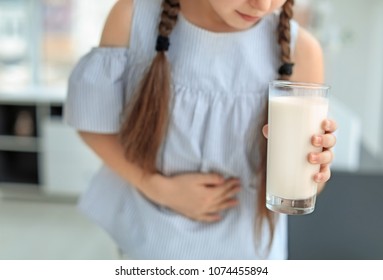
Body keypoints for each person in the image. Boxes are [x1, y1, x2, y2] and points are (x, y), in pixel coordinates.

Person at [64, 0, 337, 259]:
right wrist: (158, 187)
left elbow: (303, 185)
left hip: (250, 254)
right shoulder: (133, 17)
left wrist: (315, 169)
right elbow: (92, 122)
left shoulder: (302, 50)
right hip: (153, 245)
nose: (263, 5)